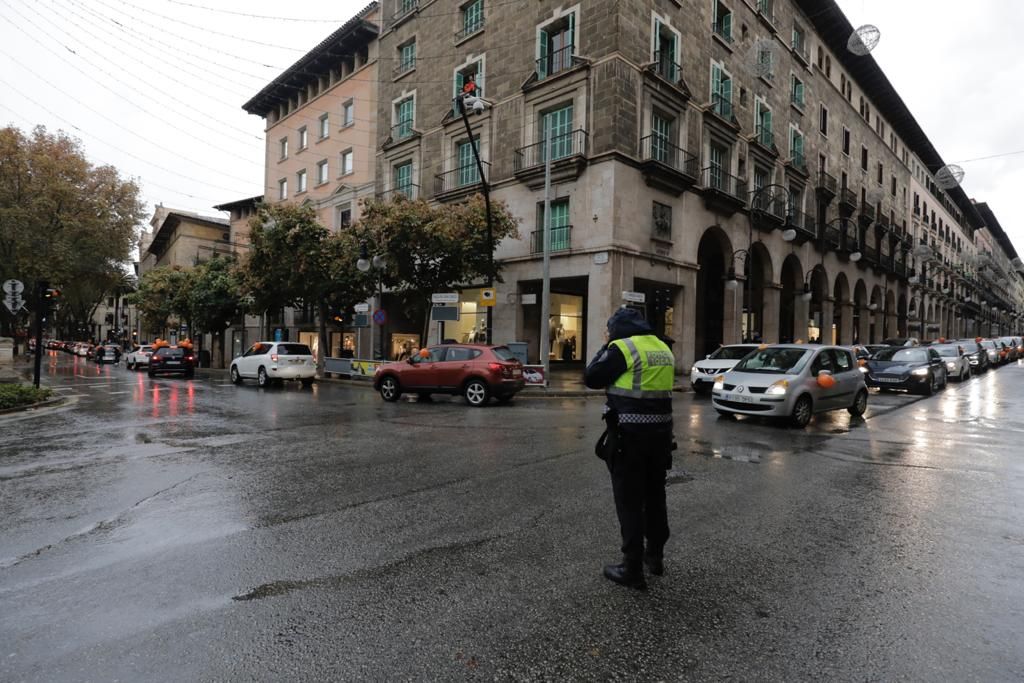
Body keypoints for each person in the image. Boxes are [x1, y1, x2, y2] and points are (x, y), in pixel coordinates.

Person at [584, 307, 675, 590]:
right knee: (655, 496)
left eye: (610, 330)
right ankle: (655, 556)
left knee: (630, 502)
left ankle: (632, 568)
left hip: (629, 437)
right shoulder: (662, 347)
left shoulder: (623, 348)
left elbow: (591, 377)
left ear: (617, 328)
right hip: (660, 436)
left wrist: (606, 344)